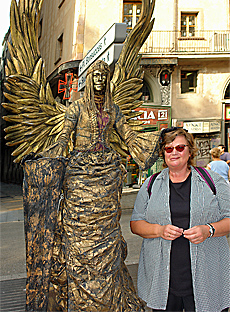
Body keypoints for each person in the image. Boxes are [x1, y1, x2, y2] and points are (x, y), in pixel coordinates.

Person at [23, 60, 161, 312]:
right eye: (95, 75)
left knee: (106, 231)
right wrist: (52, 155)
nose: (99, 79)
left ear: (107, 79)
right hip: (81, 175)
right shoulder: (75, 109)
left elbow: (127, 133)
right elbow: (65, 136)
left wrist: (141, 147)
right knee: (78, 232)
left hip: (106, 175)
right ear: (89, 79)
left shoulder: (113, 109)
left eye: (103, 75)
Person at [130, 127, 230, 312]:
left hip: (207, 279)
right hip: (163, 282)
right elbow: (136, 223)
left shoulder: (212, 181)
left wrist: (209, 230)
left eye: (180, 147)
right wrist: (159, 231)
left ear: (190, 151)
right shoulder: (150, 185)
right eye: (169, 148)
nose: (174, 152)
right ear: (163, 154)